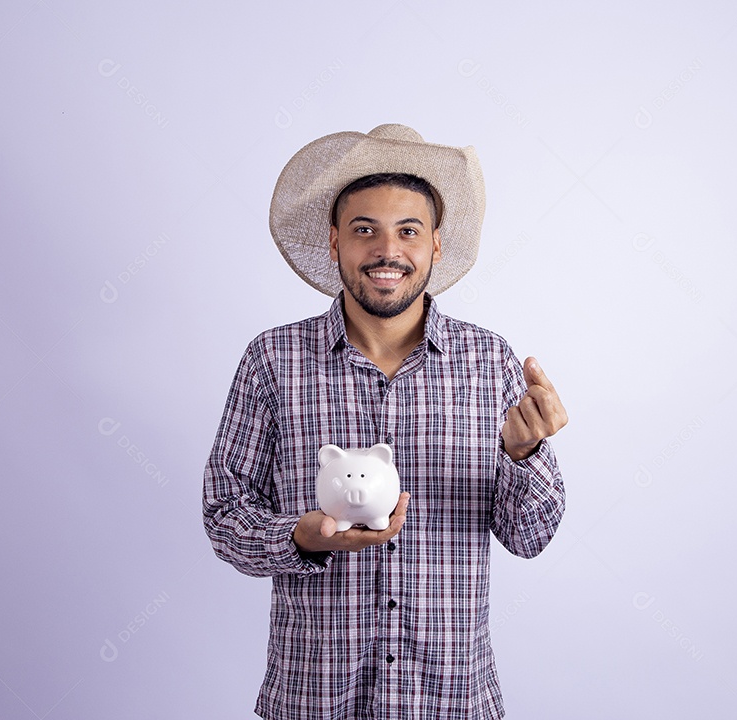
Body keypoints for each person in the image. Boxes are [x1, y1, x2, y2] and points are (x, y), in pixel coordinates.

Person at [203, 124, 568, 720]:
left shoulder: (488, 362)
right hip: (314, 699)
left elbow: (529, 538)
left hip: (451, 701)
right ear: (334, 242)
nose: (387, 250)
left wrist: (523, 455)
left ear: (436, 247)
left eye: (409, 231)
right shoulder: (273, 360)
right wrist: (302, 539)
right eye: (364, 229)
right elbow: (224, 518)